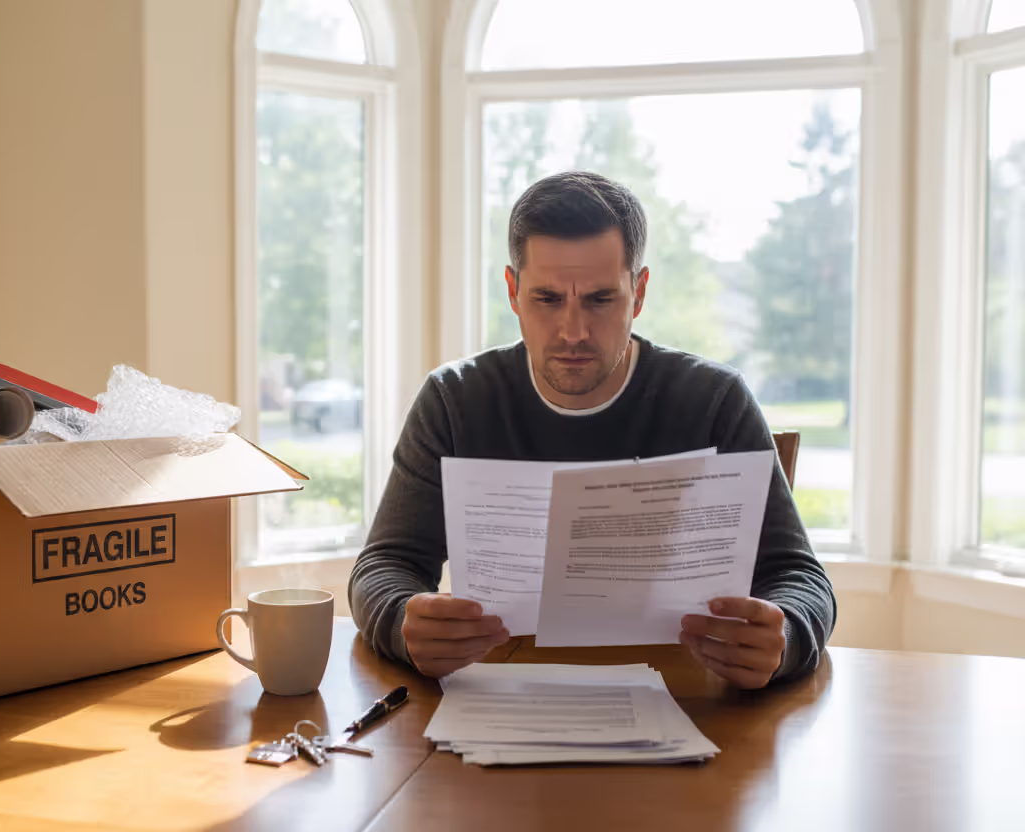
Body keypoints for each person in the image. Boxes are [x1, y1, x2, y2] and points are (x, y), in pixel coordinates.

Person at [348, 171, 835, 689]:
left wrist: (785, 639)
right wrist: (402, 622)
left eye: (601, 300)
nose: (573, 331)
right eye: (547, 299)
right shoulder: (455, 400)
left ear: (639, 292)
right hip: (501, 692)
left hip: (689, 699)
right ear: (513, 292)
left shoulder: (715, 401)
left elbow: (800, 577)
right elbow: (385, 563)